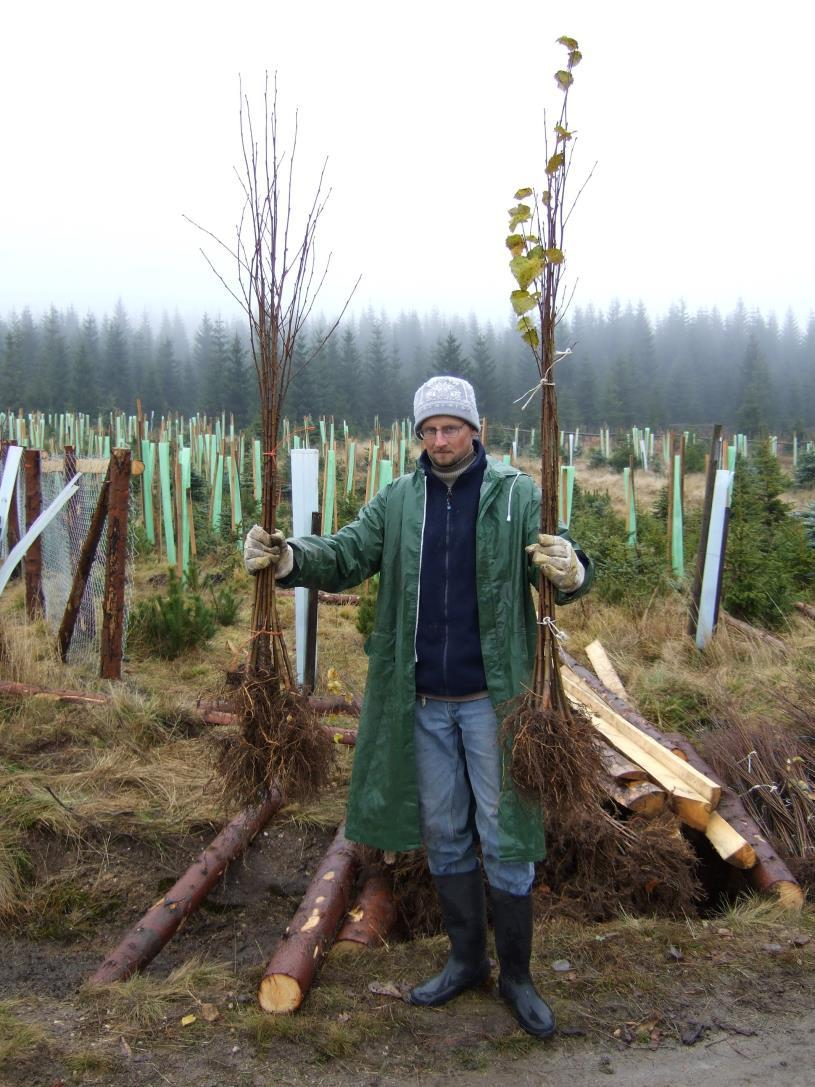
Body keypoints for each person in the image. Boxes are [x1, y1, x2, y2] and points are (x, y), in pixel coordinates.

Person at [244, 375, 593, 1038]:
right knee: (444, 831)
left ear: (474, 428)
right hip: (424, 703)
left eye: (449, 428)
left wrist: (570, 568)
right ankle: (466, 960)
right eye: (427, 430)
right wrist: (289, 555)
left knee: (505, 834)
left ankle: (516, 976)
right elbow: (345, 555)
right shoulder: (400, 502)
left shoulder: (514, 493)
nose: (438, 441)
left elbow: (562, 558)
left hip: (495, 701)